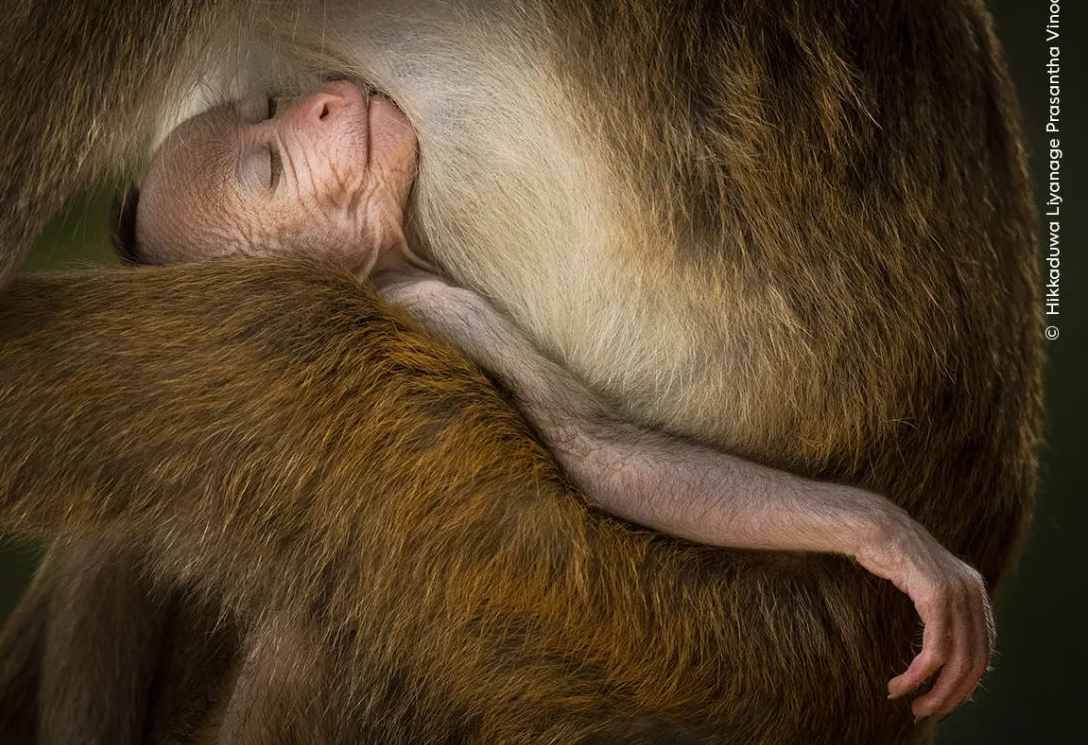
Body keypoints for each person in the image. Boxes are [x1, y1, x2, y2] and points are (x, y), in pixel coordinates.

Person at [125, 80, 993, 704]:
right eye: (270, 170)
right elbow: (605, 460)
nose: (310, 108)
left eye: (266, 105)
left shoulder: (411, 270)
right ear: (293, 291)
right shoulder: (421, 315)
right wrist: (871, 528)